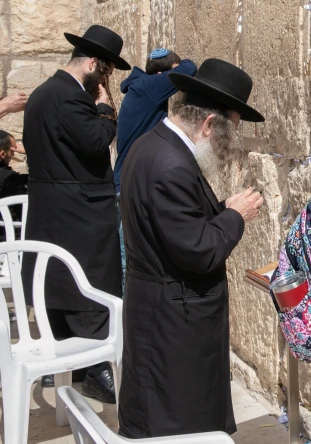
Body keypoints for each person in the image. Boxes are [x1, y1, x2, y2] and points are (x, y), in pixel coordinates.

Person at [117, 58, 264, 438]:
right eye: (227, 134)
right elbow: (198, 250)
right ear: (209, 124)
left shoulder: (152, 145)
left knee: (161, 408)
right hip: (172, 321)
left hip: (158, 307)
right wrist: (235, 215)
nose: (225, 147)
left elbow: (178, 225)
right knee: (178, 421)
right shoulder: (173, 167)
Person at [21, 24, 130, 403]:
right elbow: (96, 140)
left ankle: (68, 370)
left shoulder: (41, 94)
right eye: (106, 73)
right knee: (90, 294)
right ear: (94, 65)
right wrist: (104, 109)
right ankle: (94, 371)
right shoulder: (70, 98)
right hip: (79, 217)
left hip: (53, 213)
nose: (106, 81)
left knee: (61, 289)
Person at [114, 48, 197, 287]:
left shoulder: (140, 89)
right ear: (161, 74)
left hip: (126, 181)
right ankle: (125, 316)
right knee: (127, 257)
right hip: (130, 184)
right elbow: (189, 68)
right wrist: (179, 65)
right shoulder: (148, 87)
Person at [0, 130, 28, 240]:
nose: (13, 155)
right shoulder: (10, 180)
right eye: (12, 151)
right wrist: (29, 151)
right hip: (8, 242)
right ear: (2, 154)